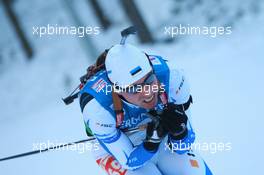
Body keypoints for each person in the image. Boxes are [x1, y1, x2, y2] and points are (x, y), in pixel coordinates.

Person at [78, 43, 213, 175]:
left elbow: (183, 147)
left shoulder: (172, 76)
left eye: (149, 81)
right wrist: (151, 143)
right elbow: (129, 161)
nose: (147, 92)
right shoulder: (98, 108)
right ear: (117, 90)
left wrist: (180, 133)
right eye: (134, 89)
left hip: (162, 141)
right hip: (119, 152)